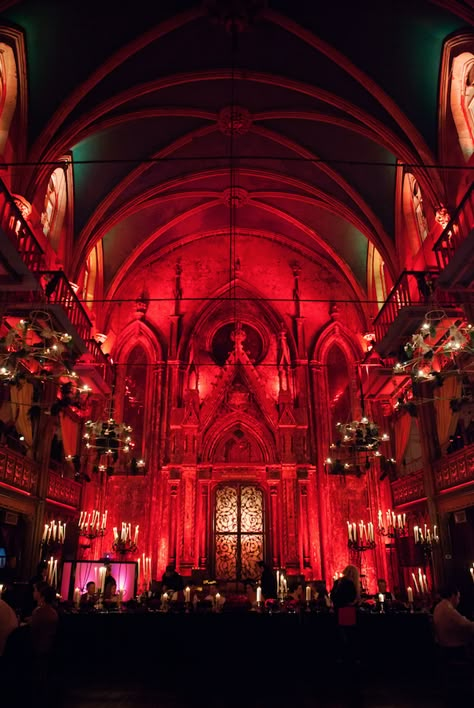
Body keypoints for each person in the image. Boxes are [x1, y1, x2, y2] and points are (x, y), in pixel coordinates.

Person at [433, 585, 474, 705]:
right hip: (454, 652)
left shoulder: (439, 607)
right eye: (458, 597)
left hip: (444, 649)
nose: (459, 601)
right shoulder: (448, 609)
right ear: (453, 596)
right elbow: (467, 625)